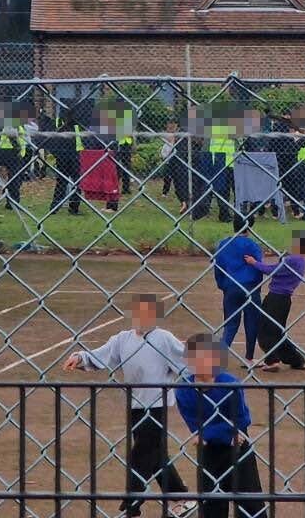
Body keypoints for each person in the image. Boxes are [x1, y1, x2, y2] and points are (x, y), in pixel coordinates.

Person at [63, 293, 193, 518]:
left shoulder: (164, 338)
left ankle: (132, 506)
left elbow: (186, 361)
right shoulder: (122, 339)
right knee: (155, 454)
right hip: (135, 405)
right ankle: (181, 497)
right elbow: (102, 355)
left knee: (141, 454)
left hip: (157, 406)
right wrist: (81, 357)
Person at [174, 333, 266, 518]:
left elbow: (241, 419)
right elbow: (194, 424)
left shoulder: (230, 384)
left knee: (250, 502)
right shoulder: (184, 389)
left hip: (238, 447)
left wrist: (210, 433)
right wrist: (215, 433)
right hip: (210, 451)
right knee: (211, 503)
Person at [247, 231, 305, 371]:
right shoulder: (301, 260)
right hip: (284, 300)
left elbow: (271, 269)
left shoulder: (293, 259)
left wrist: (254, 263)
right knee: (277, 332)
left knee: (265, 330)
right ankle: (296, 360)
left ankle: (272, 361)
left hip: (275, 298)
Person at [212, 220, 264, 365]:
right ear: (249, 228)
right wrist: (257, 287)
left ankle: (218, 358)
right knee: (252, 322)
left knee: (230, 324)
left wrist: (222, 285)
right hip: (250, 287)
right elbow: (258, 266)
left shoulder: (224, 244)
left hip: (231, 288)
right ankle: (249, 358)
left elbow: (218, 267)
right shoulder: (252, 245)